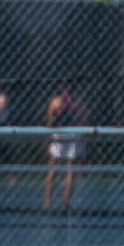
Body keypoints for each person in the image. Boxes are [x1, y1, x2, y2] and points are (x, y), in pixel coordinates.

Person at [43, 81, 85, 211]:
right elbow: (83, 120)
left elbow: (50, 120)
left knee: (63, 169)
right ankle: (56, 202)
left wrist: (49, 136)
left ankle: (51, 202)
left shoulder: (57, 102)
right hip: (67, 134)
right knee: (62, 169)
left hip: (66, 134)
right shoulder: (77, 102)